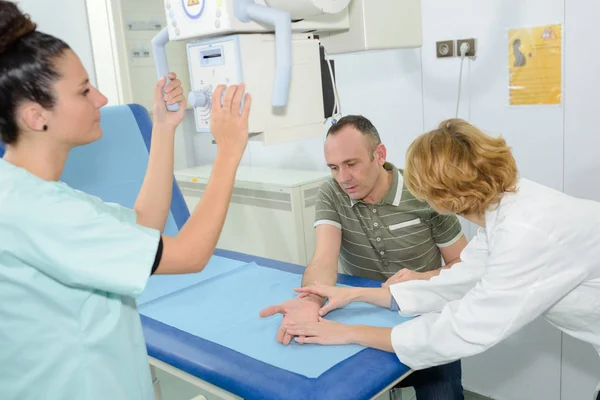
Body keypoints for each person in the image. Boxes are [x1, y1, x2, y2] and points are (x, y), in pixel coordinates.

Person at [0, 2, 251, 399]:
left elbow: (143, 223)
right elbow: (190, 254)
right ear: (36, 117)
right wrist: (229, 150)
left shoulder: (25, 194)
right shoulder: (41, 213)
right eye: (83, 90)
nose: (100, 99)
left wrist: (164, 128)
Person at [284, 118, 600, 400]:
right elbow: (456, 280)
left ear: (440, 197)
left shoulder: (526, 233)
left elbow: (463, 329)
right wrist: (354, 294)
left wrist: (348, 332)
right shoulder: (507, 210)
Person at [260, 115, 469, 399]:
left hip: (425, 317)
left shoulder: (423, 190)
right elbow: (323, 259)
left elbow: (463, 267)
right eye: (334, 167)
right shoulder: (331, 193)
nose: (342, 178)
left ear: (379, 155)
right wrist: (311, 300)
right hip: (362, 317)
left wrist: (420, 278)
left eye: (351, 164)